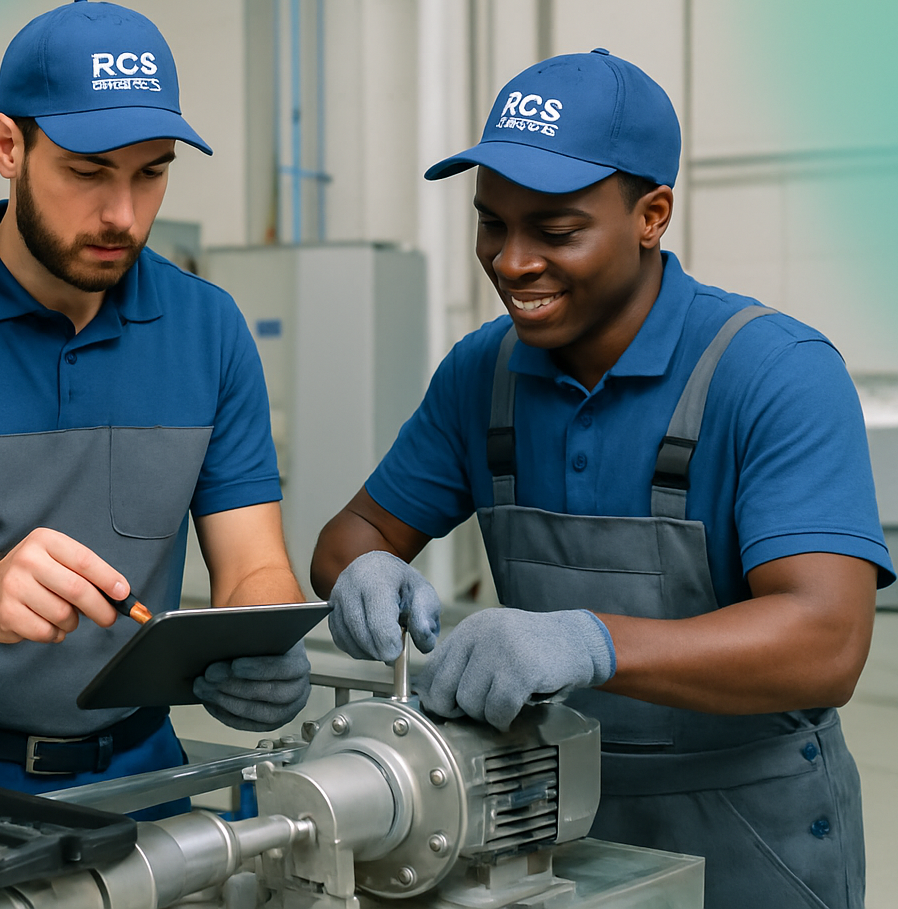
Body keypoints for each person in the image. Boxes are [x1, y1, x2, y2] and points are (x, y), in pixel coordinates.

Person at [311, 48, 892, 908]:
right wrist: (360, 570)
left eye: (555, 231)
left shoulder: (773, 372)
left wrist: (589, 641)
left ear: (652, 214)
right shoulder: (483, 376)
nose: (511, 263)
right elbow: (352, 534)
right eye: (491, 224)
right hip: (540, 826)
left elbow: (827, 643)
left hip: (747, 838)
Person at [0, 0, 311, 812]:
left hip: (140, 778)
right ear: (9, 146)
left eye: (151, 172)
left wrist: (262, 642)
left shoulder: (208, 329)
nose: (123, 214)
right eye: (87, 171)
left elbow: (253, 563)